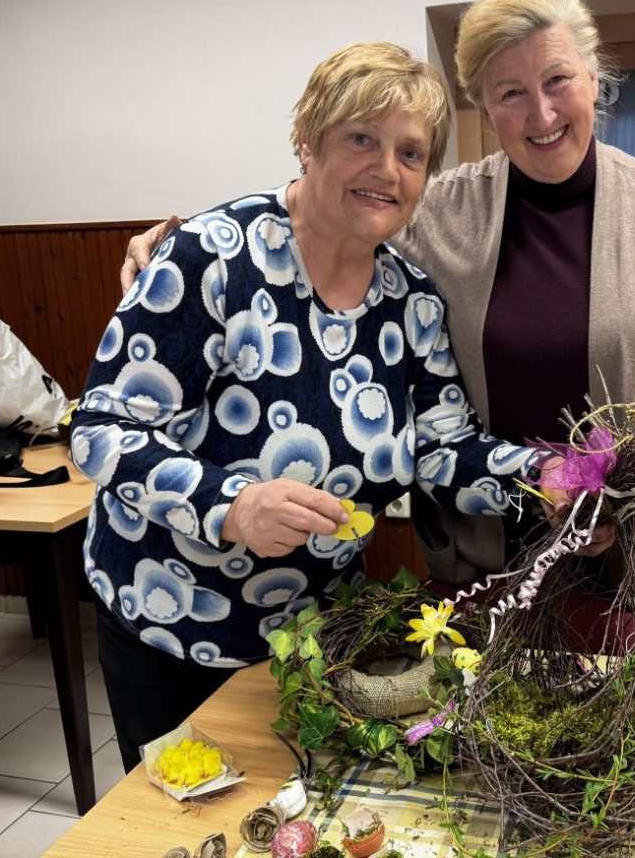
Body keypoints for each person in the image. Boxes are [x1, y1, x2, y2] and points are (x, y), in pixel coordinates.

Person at [120, 0, 635, 591]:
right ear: (483, 106)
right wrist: (184, 241)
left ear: (592, 76)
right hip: (485, 555)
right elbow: (329, 209)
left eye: (558, 80)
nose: (542, 112)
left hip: (633, 544)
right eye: (511, 92)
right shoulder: (435, 208)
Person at [72, 42, 544, 772]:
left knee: (297, 818)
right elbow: (105, 429)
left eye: (412, 153)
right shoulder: (212, 259)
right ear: (307, 138)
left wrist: (554, 474)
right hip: (171, 627)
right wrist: (232, 506)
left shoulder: (410, 300)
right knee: (192, 824)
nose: (387, 169)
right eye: (362, 138)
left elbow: (445, 450)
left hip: (318, 635)